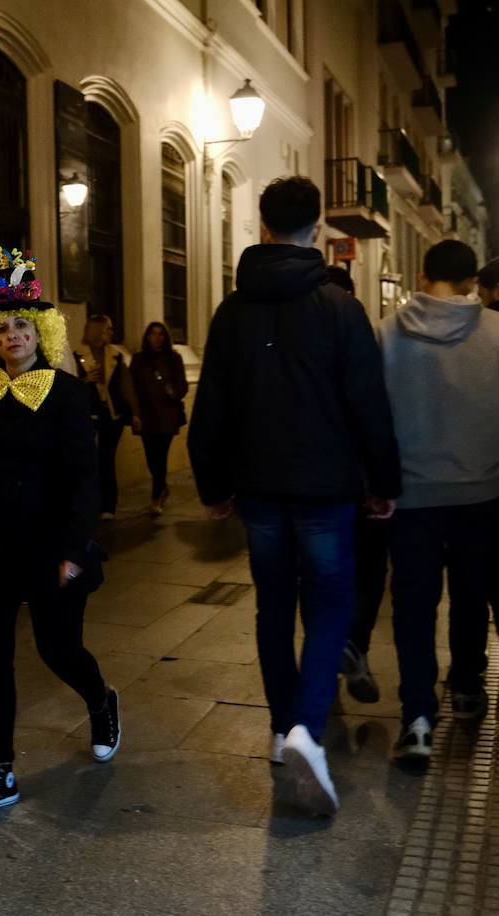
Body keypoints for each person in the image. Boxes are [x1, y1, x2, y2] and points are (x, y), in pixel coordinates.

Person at [188, 176, 400, 816]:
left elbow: (212, 405)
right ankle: (309, 721)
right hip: (326, 488)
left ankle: (284, 729)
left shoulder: (233, 311)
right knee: (331, 604)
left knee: (273, 606)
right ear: (318, 228)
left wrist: (213, 486)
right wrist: (383, 482)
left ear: (264, 226)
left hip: (259, 490)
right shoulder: (339, 309)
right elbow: (368, 403)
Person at [0, 247, 118, 817]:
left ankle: (101, 700)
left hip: (48, 547)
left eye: (21, 325)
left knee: (58, 649)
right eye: (1, 328)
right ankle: (0, 772)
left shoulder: (66, 392)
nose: (12, 335)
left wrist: (73, 548)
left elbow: (84, 477)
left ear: (40, 331)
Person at [376, 240, 499, 758]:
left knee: (413, 606)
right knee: (471, 596)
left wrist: (377, 484)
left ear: (423, 275)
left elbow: (371, 416)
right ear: (472, 281)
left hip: (411, 498)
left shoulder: (385, 333)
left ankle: (418, 718)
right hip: (482, 493)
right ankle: (466, 688)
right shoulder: (497, 333)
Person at [321, 267, 388, 705]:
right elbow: (375, 408)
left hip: (314, 484)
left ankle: (327, 657)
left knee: (321, 575)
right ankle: (354, 644)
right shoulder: (362, 329)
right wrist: (384, 480)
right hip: (358, 482)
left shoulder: (297, 333)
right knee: (369, 570)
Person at [75, 315, 137, 520]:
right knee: (88, 460)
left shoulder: (116, 356)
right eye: (107, 329)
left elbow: (127, 386)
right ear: (96, 331)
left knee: (107, 460)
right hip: (88, 414)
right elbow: (68, 385)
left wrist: (135, 412)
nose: (111, 332)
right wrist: (85, 380)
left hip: (111, 414)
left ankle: (108, 505)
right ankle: (89, 502)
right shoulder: (77, 355)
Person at [129, 321, 188, 516]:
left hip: (166, 415)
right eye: (153, 334)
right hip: (146, 415)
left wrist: (175, 392)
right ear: (147, 337)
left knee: (160, 456)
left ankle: (156, 497)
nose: (157, 338)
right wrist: (134, 412)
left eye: (161, 334)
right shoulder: (139, 359)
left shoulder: (174, 358)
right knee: (151, 457)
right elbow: (132, 387)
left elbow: (182, 385)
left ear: (166, 337)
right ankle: (162, 486)